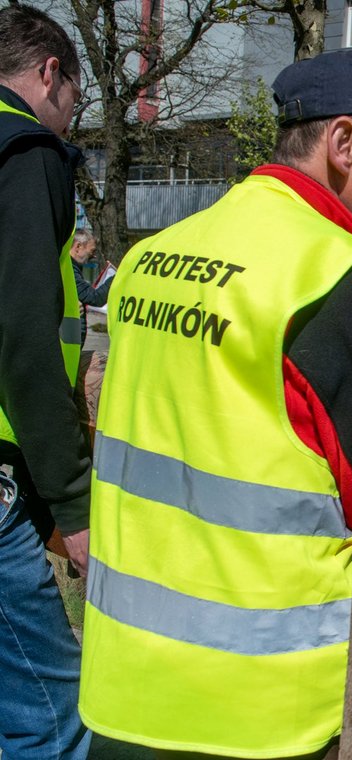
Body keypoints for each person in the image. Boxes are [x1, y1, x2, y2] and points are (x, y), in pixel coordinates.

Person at [79, 50, 352, 760]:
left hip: (124, 694)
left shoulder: (150, 261)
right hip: (269, 717)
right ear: (342, 144)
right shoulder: (346, 283)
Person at [0, 6, 93, 759]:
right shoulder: (23, 151)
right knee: (51, 714)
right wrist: (72, 502)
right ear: (49, 74)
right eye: (75, 105)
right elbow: (27, 343)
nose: (69, 122)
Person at [69, 227, 113, 345]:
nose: (93, 256)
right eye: (92, 251)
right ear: (78, 247)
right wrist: (116, 277)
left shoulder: (72, 269)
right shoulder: (69, 271)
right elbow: (95, 298)